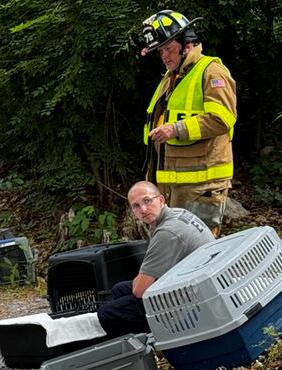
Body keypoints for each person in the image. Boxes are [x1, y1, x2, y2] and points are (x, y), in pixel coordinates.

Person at [140, 10, 236, 236]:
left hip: (202, 185)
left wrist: (176, 129)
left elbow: (222, 118)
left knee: (199, 251)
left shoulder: (211, 71)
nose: (164, 56)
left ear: (186, 44)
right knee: (174, 251)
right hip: (172, 186)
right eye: (160, 51)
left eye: (168, 48)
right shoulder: (170, 78)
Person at [97, 181, 215, 337]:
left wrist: (141, 281)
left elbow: (139, 291)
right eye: (136, 206)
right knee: (119, 289)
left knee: (106, 314)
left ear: (160, 200)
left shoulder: (167, 232)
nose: (143, 209)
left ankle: (157, 339)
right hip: (195, 278)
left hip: (194, 297)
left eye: (147, 201)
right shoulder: (176, 213)